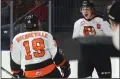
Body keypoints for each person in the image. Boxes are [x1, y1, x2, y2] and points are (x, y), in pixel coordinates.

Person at [10, 14, 71, 78]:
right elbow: (56, 54)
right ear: (37, 23)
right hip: (49, 72)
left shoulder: (17, 39)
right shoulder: (46, 35)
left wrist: (17, 72)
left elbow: (14, 59)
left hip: (30, 74)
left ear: (25, 25)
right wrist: (64, 66)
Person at [72, 0, 112, 78]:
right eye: (83, 9)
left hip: (101, 57)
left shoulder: (102, 21)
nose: (85, 11)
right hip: (85, 58)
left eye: (87, 9)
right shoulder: (78, 23)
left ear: (92, 10)